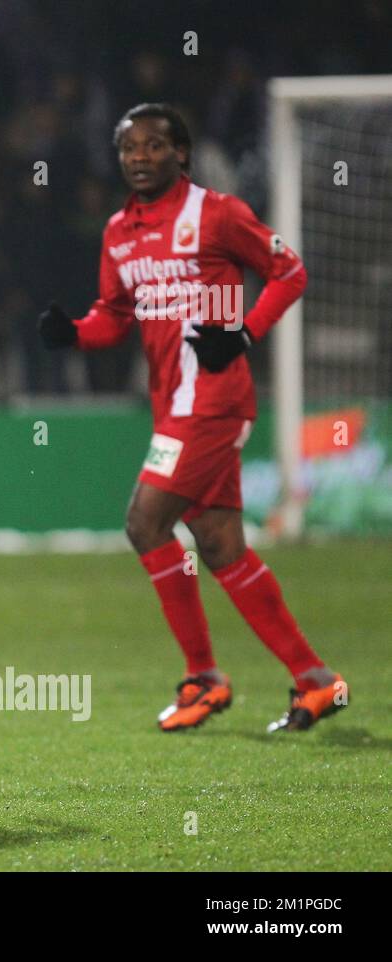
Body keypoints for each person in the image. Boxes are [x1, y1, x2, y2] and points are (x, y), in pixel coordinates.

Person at [38, 103, 346, 734]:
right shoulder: (119, 231)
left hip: (213, 400)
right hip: (172, 405)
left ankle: (205, 676)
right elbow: (114, 316)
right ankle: (316, 680)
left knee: (146, 522)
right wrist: (73, 333)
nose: (140, 157)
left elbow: (289, 271)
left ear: (182, 153)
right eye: (129, 148)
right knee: (219, 545)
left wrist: (245, 333)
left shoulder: (219, 213)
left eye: (154, 146)